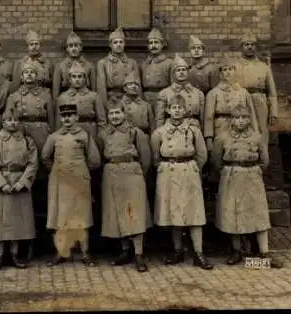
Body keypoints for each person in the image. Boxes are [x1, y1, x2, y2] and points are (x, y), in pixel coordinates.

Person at [211, 104, 283, 268]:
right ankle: (237, 251)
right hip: (231, 177)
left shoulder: (256, 137)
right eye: (237, 118)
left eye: (244, 117)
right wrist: (231, 170)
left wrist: (252, 169)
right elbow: (216, 161)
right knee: (233, 213)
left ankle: (264, 254)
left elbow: (264, 161)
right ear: (232, 120)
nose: (241, 121)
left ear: (249, 119)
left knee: (259, 214)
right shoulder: (222, 137)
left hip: (252, 177)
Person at [151, 94, 213, 270]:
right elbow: (155, 158)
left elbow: (202, 154)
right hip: (169, 174)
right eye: (174, 108)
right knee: (174, 213)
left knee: (194, 214)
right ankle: (178, 250)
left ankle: (198, 253)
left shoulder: (194, 131)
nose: (177, 111)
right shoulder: (159, 132)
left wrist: (191, 167)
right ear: (168, 110)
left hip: (188, 173)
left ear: (185, 110)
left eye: (180, 108)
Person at [42, 104, 101, 267]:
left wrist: (79, 170)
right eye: (64, 116)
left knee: (81, 216)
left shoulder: (84, 136)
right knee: (61, 218)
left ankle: (85, 253)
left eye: (70, 115)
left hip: (79, 181)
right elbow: (45, 157)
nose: (67, 118)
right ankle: (61, 252)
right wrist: (57, 170)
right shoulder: (54, 137)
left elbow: (95, 160)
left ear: (77, 117)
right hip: (60, 182)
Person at [0, 108, 39, 271]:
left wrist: (22, 182)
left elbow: (33, 164)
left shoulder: (27, 141)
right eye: (9, 120)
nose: (12, 123)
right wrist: (1, 183)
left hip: (19, 182)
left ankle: (14, 254)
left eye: (15, 120)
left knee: (17, 222)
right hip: (0, 184)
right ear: (3, 122)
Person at [99, 103, 152, 272]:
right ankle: (125, 251)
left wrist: (136, 173)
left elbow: (146, 158)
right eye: (111, 113)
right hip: (112, 175)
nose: (114, 116)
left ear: (124, 114)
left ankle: (138, 253)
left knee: (134, 213)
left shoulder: (135, 132)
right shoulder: (103, 134)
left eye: (117, 113)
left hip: (132, 174)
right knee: (118, 213)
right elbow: (100, 156)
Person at [204, 58, 259, 154]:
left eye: (230, 69)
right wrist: (209, 138)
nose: (228, 72)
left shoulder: (243, 92)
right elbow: (209, 117)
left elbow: (252, 115)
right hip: (221, 128)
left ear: (234, 71)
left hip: (240, 129)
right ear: (221, 74)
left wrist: (255, 133)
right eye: (225, 70)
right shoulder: (213, 93)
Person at [6, 59, 54, 153]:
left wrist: (50, 133)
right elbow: (7, 119)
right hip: (21, 131)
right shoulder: (14, 96)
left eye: (32, 72)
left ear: (36, 76)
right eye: (26, 72)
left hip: (41, 132)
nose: (29, 74)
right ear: (21, 77)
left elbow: (51, 119)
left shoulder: (45, 95)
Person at [56, 61, 106, 143]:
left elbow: (102, 121)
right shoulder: (63, 97)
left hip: (90, 131)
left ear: (85, 79)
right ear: (70, 79)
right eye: (74, 77)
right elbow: (58, 122)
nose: (77, 79)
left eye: (80, 76)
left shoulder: (93, 96)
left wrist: (100, 137)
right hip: (69, 132)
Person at [156, 54, 205, 129]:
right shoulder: (164, 93)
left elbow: (202, 118)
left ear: (188, 72)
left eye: (184, 69)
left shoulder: (198, 93)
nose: (181, 72)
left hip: (193, 128)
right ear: (174, 74)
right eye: (178, 70)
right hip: (172, 129)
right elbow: (160, 119)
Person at [97, 27, 139, 109]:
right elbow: (101, 88)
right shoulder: (103, 63)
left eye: (121, 42)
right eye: (115, 42)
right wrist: (104, 106)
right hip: (111, 100)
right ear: (110, 45)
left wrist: (139, 103)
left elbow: (138, 86)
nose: (118, 45)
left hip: (129, 99)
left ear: (124, 44)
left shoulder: (132, 63)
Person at [53, 31, 96, 102]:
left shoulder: (89, 66)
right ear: (67, 48)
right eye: (70, 46)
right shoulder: (60, 66)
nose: (73, 48)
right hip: (66, 101)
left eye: (76, 45)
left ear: (81, 47)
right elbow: (55, 92)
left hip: (85, 101)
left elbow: (94, 90)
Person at [141, 27, 172, 115]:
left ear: (162, 44)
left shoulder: (169, 63)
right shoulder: (144, 64)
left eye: (156, 42)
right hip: (146, 99)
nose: (153, 45)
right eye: (151, 43)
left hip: (163, 98)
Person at [120, 70, 155, 134]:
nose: (134, 86)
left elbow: (152, 127)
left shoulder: (146, 105)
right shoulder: (120, 104)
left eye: (136, 84)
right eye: (130, 84)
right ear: (125, 88)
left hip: (143, 135)